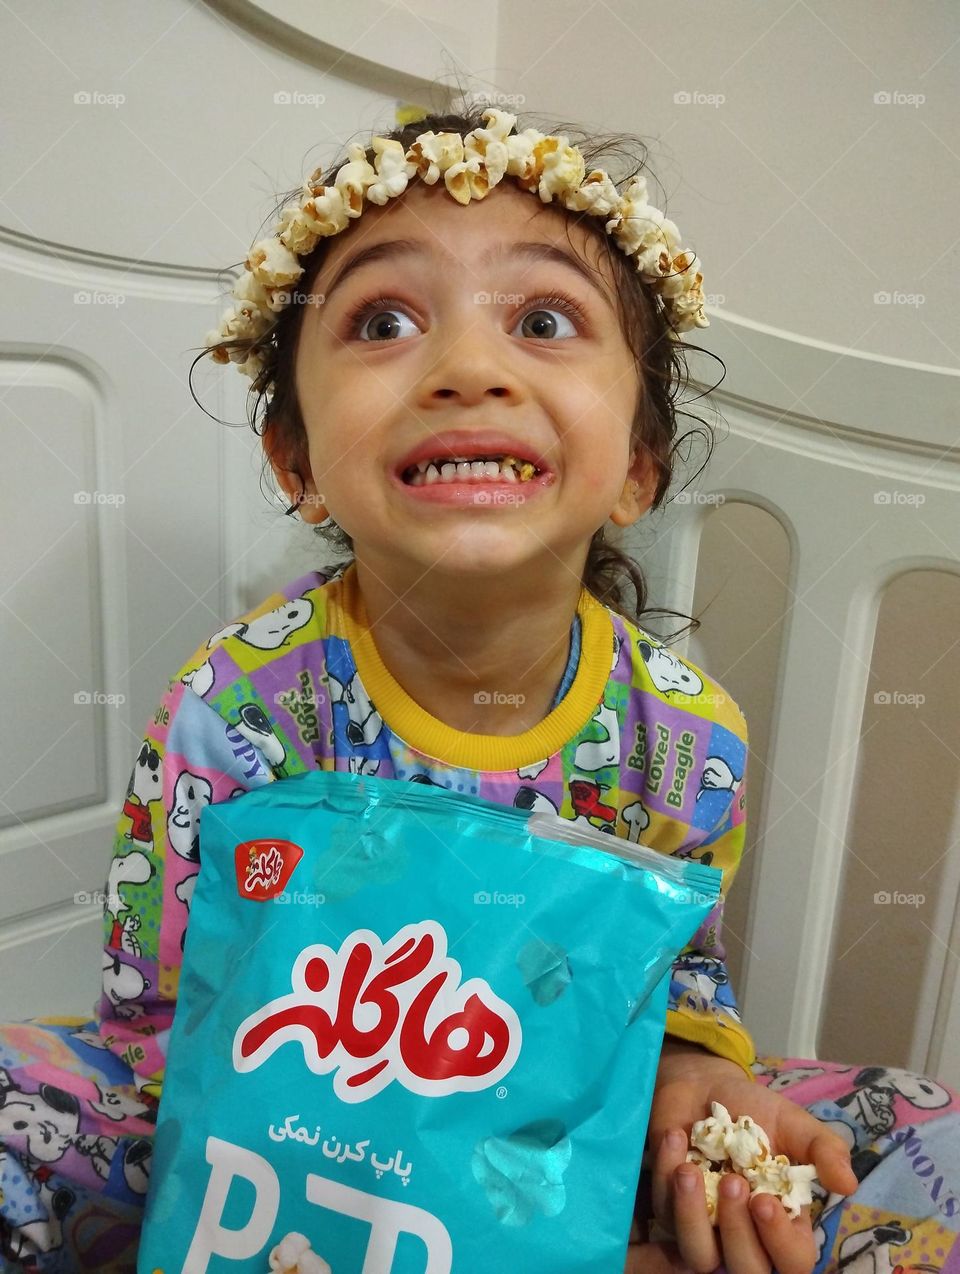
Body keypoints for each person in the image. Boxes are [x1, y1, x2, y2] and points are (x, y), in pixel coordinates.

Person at [1, 101, 958, 1274]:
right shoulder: (237, 708)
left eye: (545, 319)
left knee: (916, 1130)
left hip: (547, 1127)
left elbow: (675, 975)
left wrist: (691, 1075)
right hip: (275, 1130)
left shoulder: (681, 738)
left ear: (637, 466)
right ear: (298, 462)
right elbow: (157, 1026)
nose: (467, 366)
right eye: (384, 319)